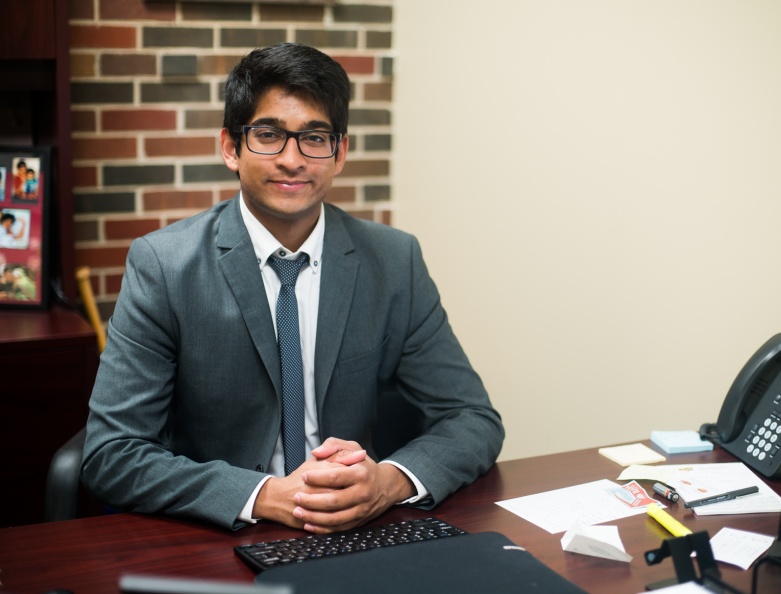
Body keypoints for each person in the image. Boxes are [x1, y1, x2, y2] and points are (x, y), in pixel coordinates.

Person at [82, 42, 504, 533]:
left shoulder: (393, 260)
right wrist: (263, 496)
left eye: (315, 137)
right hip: (220, 536)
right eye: (268, 135)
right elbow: (112, 455)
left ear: (340, 152)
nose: (292, 159)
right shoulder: (164, 266)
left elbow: (472, 418)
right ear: (230, 147)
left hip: (356, 530)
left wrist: (387, 482)